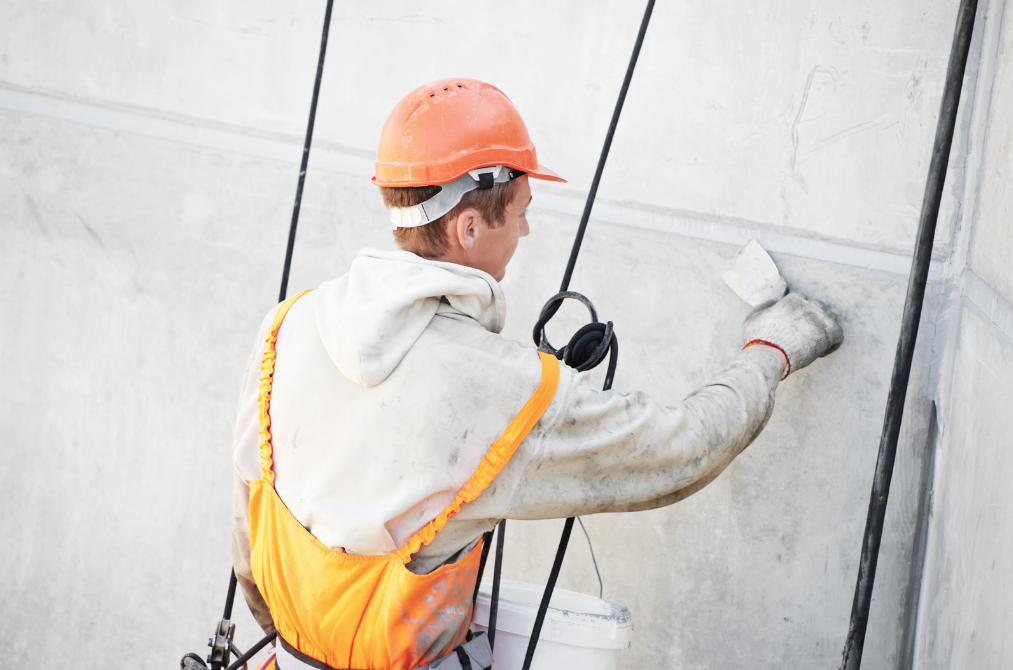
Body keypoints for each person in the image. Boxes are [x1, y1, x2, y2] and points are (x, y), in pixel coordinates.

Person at [230, 78, 843, 670]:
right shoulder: (505, 391)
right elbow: (682, 448)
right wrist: (770, 352)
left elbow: (250, 530)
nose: (524, 229)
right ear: (468, 228)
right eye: (521, 211)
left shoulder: (288, 325)